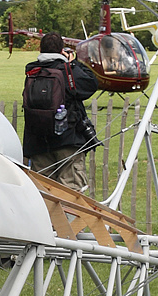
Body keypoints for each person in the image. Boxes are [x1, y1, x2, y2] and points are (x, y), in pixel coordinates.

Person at [21, 31, 99, 193]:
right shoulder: (67, 71)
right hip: (67, 141)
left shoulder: (32, 71)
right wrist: (74, 63)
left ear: (41, 50)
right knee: (71, 195)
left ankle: (48, 220)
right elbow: (91, 83)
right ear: (61, 50)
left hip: (37, 143)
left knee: (44, 196)